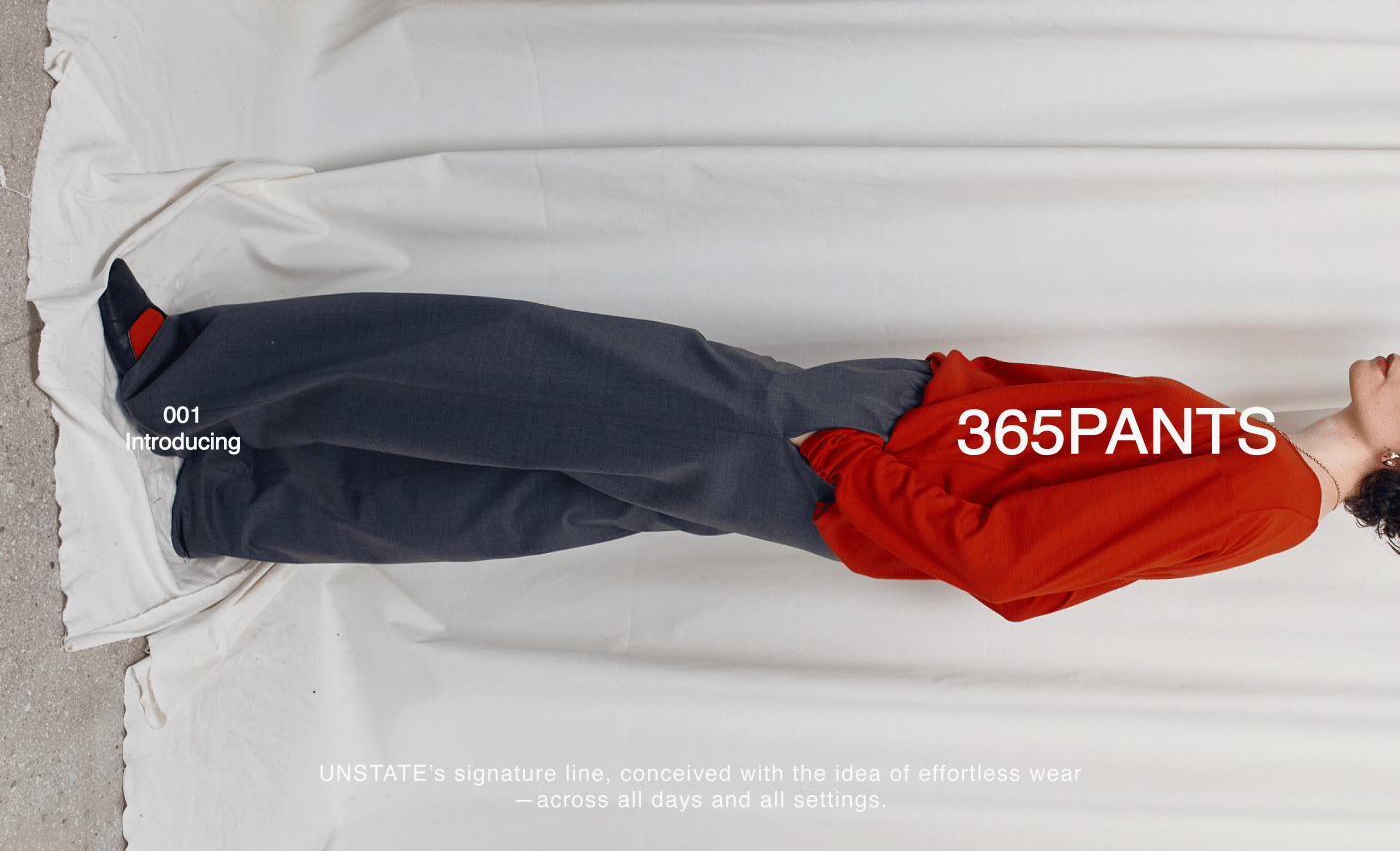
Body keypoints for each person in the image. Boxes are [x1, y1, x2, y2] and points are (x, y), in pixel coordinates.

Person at [98, 259, 1400, 621]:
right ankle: (229, 503)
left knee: (509, 366)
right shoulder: (1266, 465)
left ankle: (182, 386)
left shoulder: (1267, 491)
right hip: (857, 451)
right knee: (549, 485)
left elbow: (1017, 564)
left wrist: (848, 452)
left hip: (840, 459)